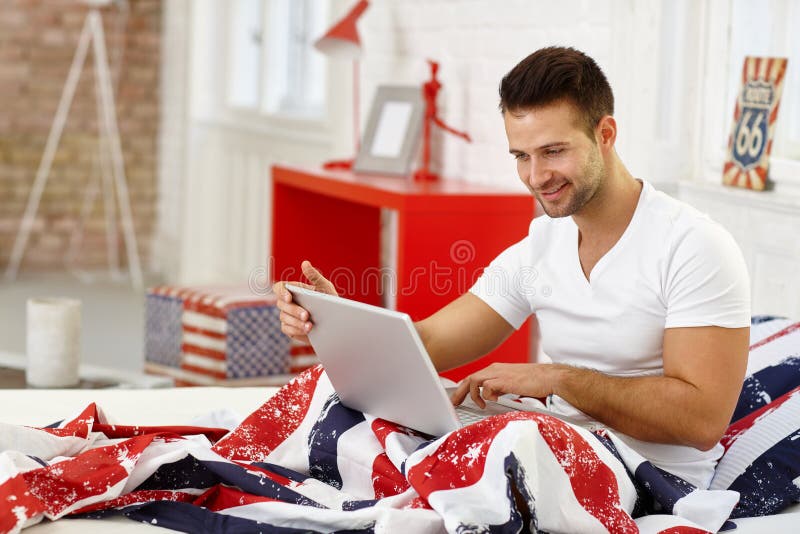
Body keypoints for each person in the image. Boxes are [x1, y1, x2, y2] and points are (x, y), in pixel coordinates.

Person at [273, 46, 750, 490]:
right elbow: (432, 343)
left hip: (649, 472)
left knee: (452, 468)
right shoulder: (543, 241)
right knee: (335, 405)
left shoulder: (693, 245)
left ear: (605, 135)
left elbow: (702, 421)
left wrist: (558, 380)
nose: (537, 177)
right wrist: (336, 324)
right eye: (522, 156)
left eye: (553, 151)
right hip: (550, 442)